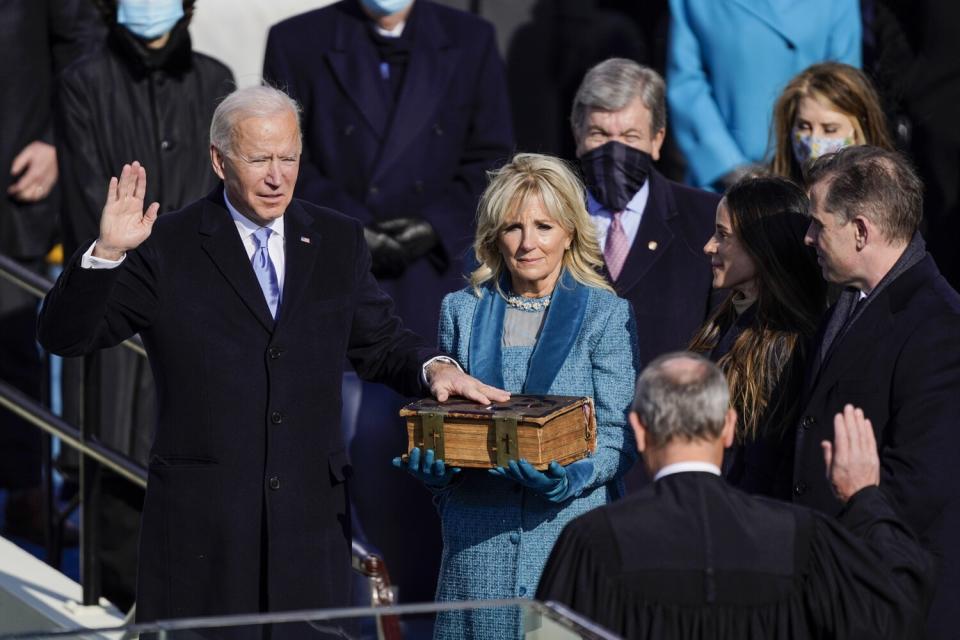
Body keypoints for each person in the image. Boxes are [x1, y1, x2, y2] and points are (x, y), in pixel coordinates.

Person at [36, 84, 507, 622]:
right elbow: (65, 337)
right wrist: (108, 253)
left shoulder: (336, 239)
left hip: (309, 529)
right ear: (219, 160)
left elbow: (381, 342)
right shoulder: (166, 245)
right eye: (259, 159)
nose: (276, 175)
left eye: (288, 158)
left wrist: (434, 368)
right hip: (202, 534)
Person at [262, 0, 514, 599]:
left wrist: (433, 224)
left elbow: (491, 156)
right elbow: (285, 157)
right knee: (335, 454)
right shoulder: (297, 39)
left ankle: (422, 602)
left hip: (432, 278)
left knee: (419, 460)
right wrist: (354, 228)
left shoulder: (471, 39)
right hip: (333, 268)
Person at [395, 153, 639, 639]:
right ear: (494, 237)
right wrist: (437, 475)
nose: (528, 243)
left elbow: (618, 437)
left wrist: (569, 479)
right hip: (474, 549)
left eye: (543, 226)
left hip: (566, 547)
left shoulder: (606, 315)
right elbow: (452, 428)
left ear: (570, 231)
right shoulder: (461, 311)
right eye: (513, 228)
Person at [537, 352, 933, 639]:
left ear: (639, 430)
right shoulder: (801, 538)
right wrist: (865, 497)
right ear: (729, 427)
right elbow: (897, 609)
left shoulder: (591, 541)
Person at [54, 0, 234, 608]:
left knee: (197, 451)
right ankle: (116, 592)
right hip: (118, 296)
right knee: (112, 447)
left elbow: (224, 194)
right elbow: (84, 197)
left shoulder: (214, 80)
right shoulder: (82, 79)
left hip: (200, 301)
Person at [796, 145, 960, 638]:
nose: (807, 238)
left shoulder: (940, 327)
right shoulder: (850, 299)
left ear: (862, 230)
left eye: (818, 225)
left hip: (887, 600)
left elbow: (920, 484)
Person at [0, 0, 104, 543]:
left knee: (15, 345)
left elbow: (83, 46)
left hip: (13, 190)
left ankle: (26, 493)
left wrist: (54, 141)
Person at [571, 58, 717, 368]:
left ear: (657, 139)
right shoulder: (547, 221)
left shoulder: (708, 219)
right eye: (599, 134)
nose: (614, 150)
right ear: (577, 135)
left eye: (629, 137)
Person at [690, 176, 825, 498]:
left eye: (723, 236)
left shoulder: (785, 343)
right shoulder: (730, 316)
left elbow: (762, 465)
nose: (709, 246)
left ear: (764, 245)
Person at [666, 0, 861, 190]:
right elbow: (686, 84)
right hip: (725, 181)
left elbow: (842, 91)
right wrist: (727, 164)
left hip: (809, 173)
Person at [770, 62, 893, 185]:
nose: (814, 140)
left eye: (830, 129)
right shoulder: (767, 193)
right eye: (804, 127)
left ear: (859, 131)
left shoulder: (888, 195)